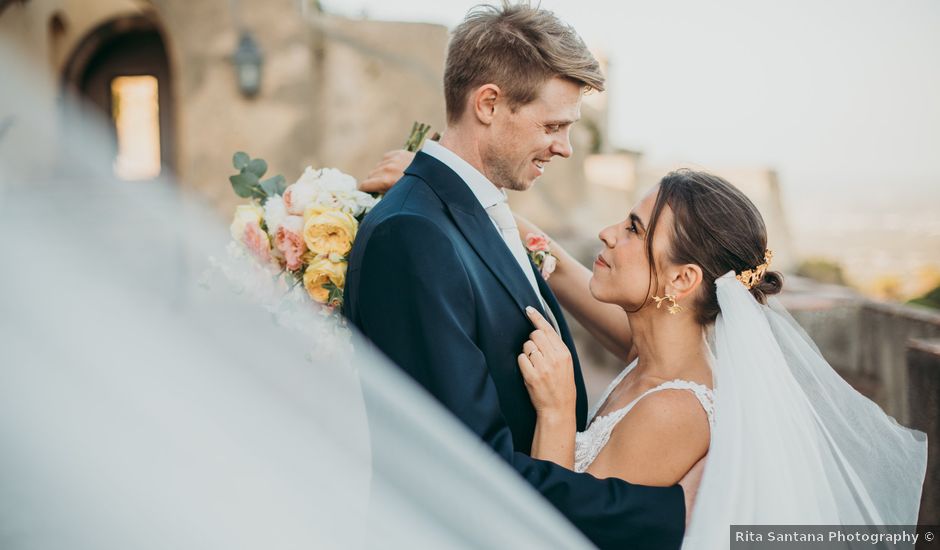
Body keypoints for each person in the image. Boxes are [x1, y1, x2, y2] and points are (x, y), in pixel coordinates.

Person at [364, 162, 928, 547]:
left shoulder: (674, 409)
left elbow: (550, 530)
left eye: (635, 229)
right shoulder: (657, 355)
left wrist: (559, 411)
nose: (608, 235)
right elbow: (573, 278)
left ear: (682, 280)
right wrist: (463, 195)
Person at [344, 3, 691, 549]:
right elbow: (471, 467)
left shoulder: (478, 215)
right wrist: (674, 512)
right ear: (488, 103)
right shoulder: (412, 235)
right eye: (552, 125)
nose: (565, 146)